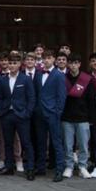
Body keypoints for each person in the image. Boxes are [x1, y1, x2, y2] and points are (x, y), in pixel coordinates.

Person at [0, 54, 36, 180]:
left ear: (19, 65)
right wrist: (0, 110)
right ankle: (9, 166)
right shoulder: (2, 79)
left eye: (15, 63)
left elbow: (31, 98)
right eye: (10, 63)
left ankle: (30, 168)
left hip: (21, 115)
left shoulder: (25, 79)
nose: (12, 65)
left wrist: (27, 113)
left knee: (26, 142)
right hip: (7, 114)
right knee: (8, 142)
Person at [61, 54, 96, 179]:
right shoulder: (63, 78)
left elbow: (91, 100)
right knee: (68, 144)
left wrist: (91, 118)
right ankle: (69, 166)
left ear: (79, 64)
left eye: (76, 63)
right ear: (68, 65)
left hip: (83, 117)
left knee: (83, 144)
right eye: (71, 63)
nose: (73, 65)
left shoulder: (86, 79)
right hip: (67, 117)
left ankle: (82, 166)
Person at [36, 50, 68, 182]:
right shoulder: (38, 74)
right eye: (45, 58)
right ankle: (41, 167)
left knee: (56, 142)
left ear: (54, 59)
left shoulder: (59, 75)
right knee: (41, 141)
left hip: (53, 113)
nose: (46, 60)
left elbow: (62, 96)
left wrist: (57, 112)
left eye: (49, 58)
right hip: (39, 113)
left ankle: (59, 169)